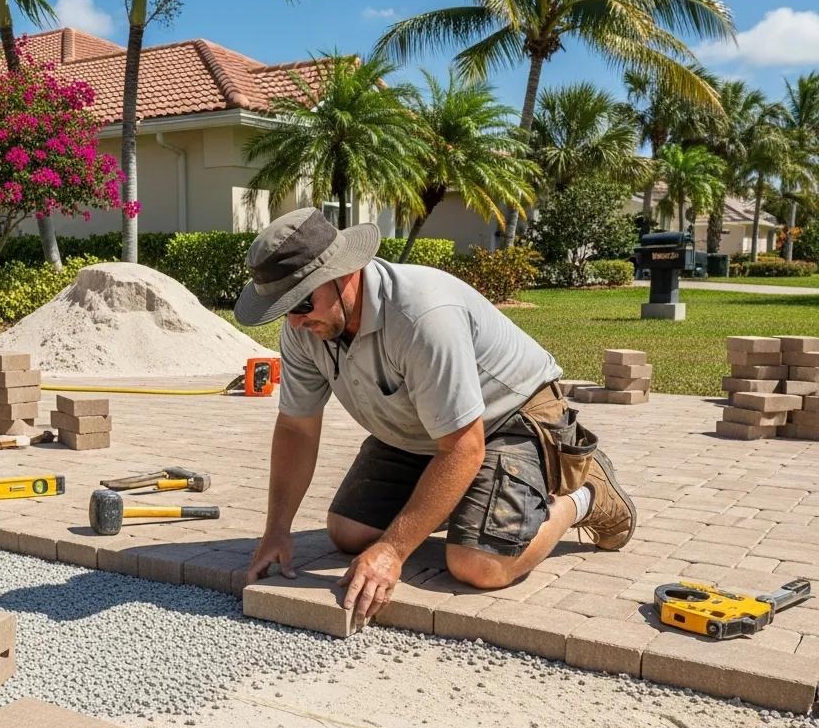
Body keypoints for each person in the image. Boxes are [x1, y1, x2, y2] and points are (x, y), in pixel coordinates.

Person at [234, 207, 636, 626]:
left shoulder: (420, 315)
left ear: (345, 273)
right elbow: (297, 428)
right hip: (423, 429)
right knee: (348, 533)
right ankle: (468, 499)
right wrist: (277, 529)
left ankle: (585, 495)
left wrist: (393, 551)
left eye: (301, 303)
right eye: (285, 310)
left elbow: (463, 446)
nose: (296, 322)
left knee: (478, 564)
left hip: (508, 417)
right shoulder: (306, 327)